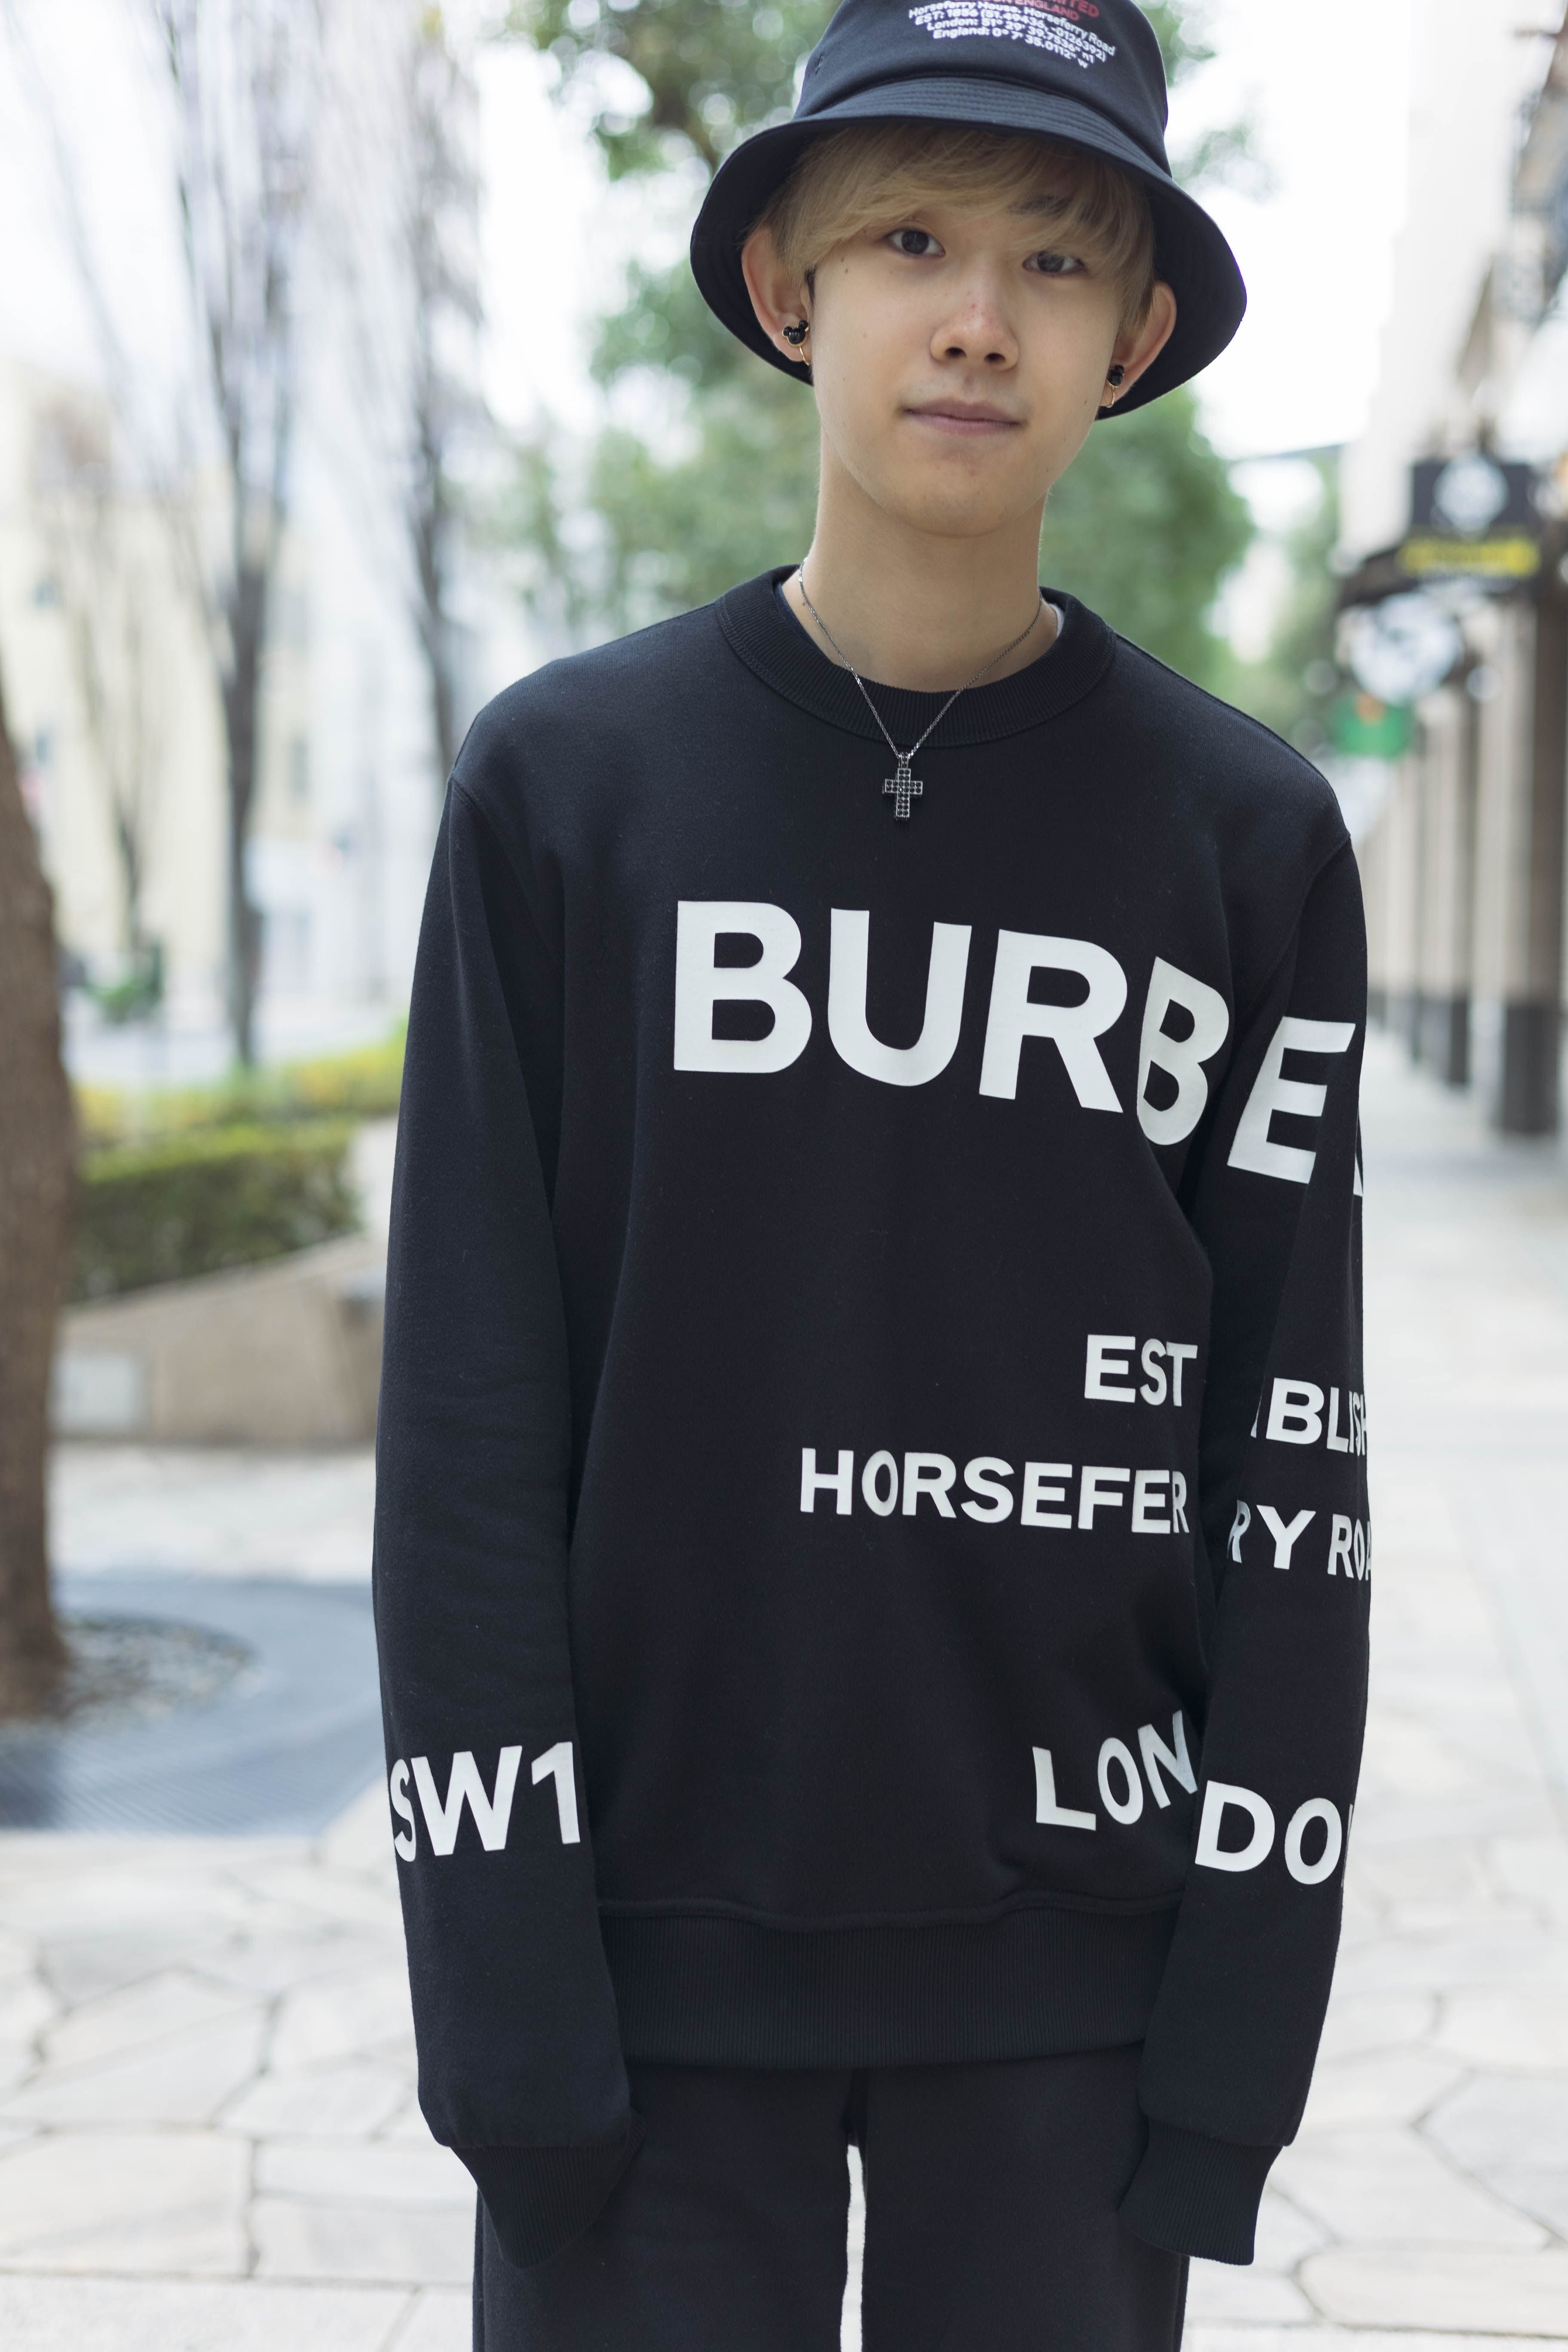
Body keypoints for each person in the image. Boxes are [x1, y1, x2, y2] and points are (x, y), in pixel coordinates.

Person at [373, 3, 1370, 2345]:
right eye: (912, 238)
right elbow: (469, 1420)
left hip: (1075, 1981)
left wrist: (1236, 2039)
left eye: (1055, 259)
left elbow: (1292, 1452)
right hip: (640, 1961)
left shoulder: (1248, 843)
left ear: (1134, 338)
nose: (978, 317)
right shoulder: (566, 792)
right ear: (787, 289)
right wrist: (502, 1998)